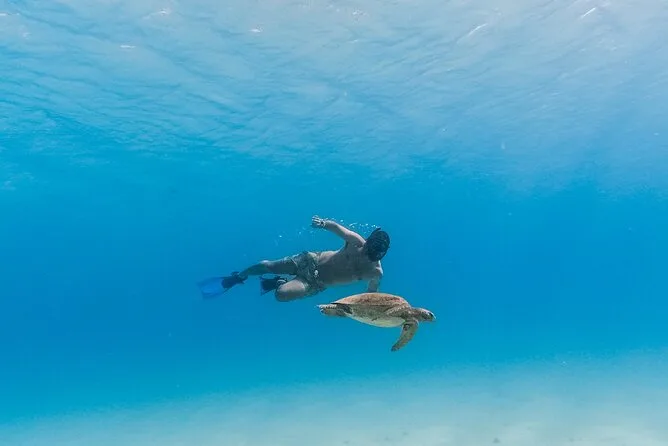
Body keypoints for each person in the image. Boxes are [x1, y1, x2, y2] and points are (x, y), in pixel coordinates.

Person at [198, 216, 390, 302]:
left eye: (370, 256)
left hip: (316, 283)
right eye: (365, 250)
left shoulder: (375, 272)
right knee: (266, 265)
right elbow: (338, 228)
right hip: (311, 260)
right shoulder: (356, 241)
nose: (364, 255)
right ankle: (238, 277)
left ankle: (279, 282)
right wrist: (323, 223)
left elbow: (370, 295)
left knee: (282, 295)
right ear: (367, 242)